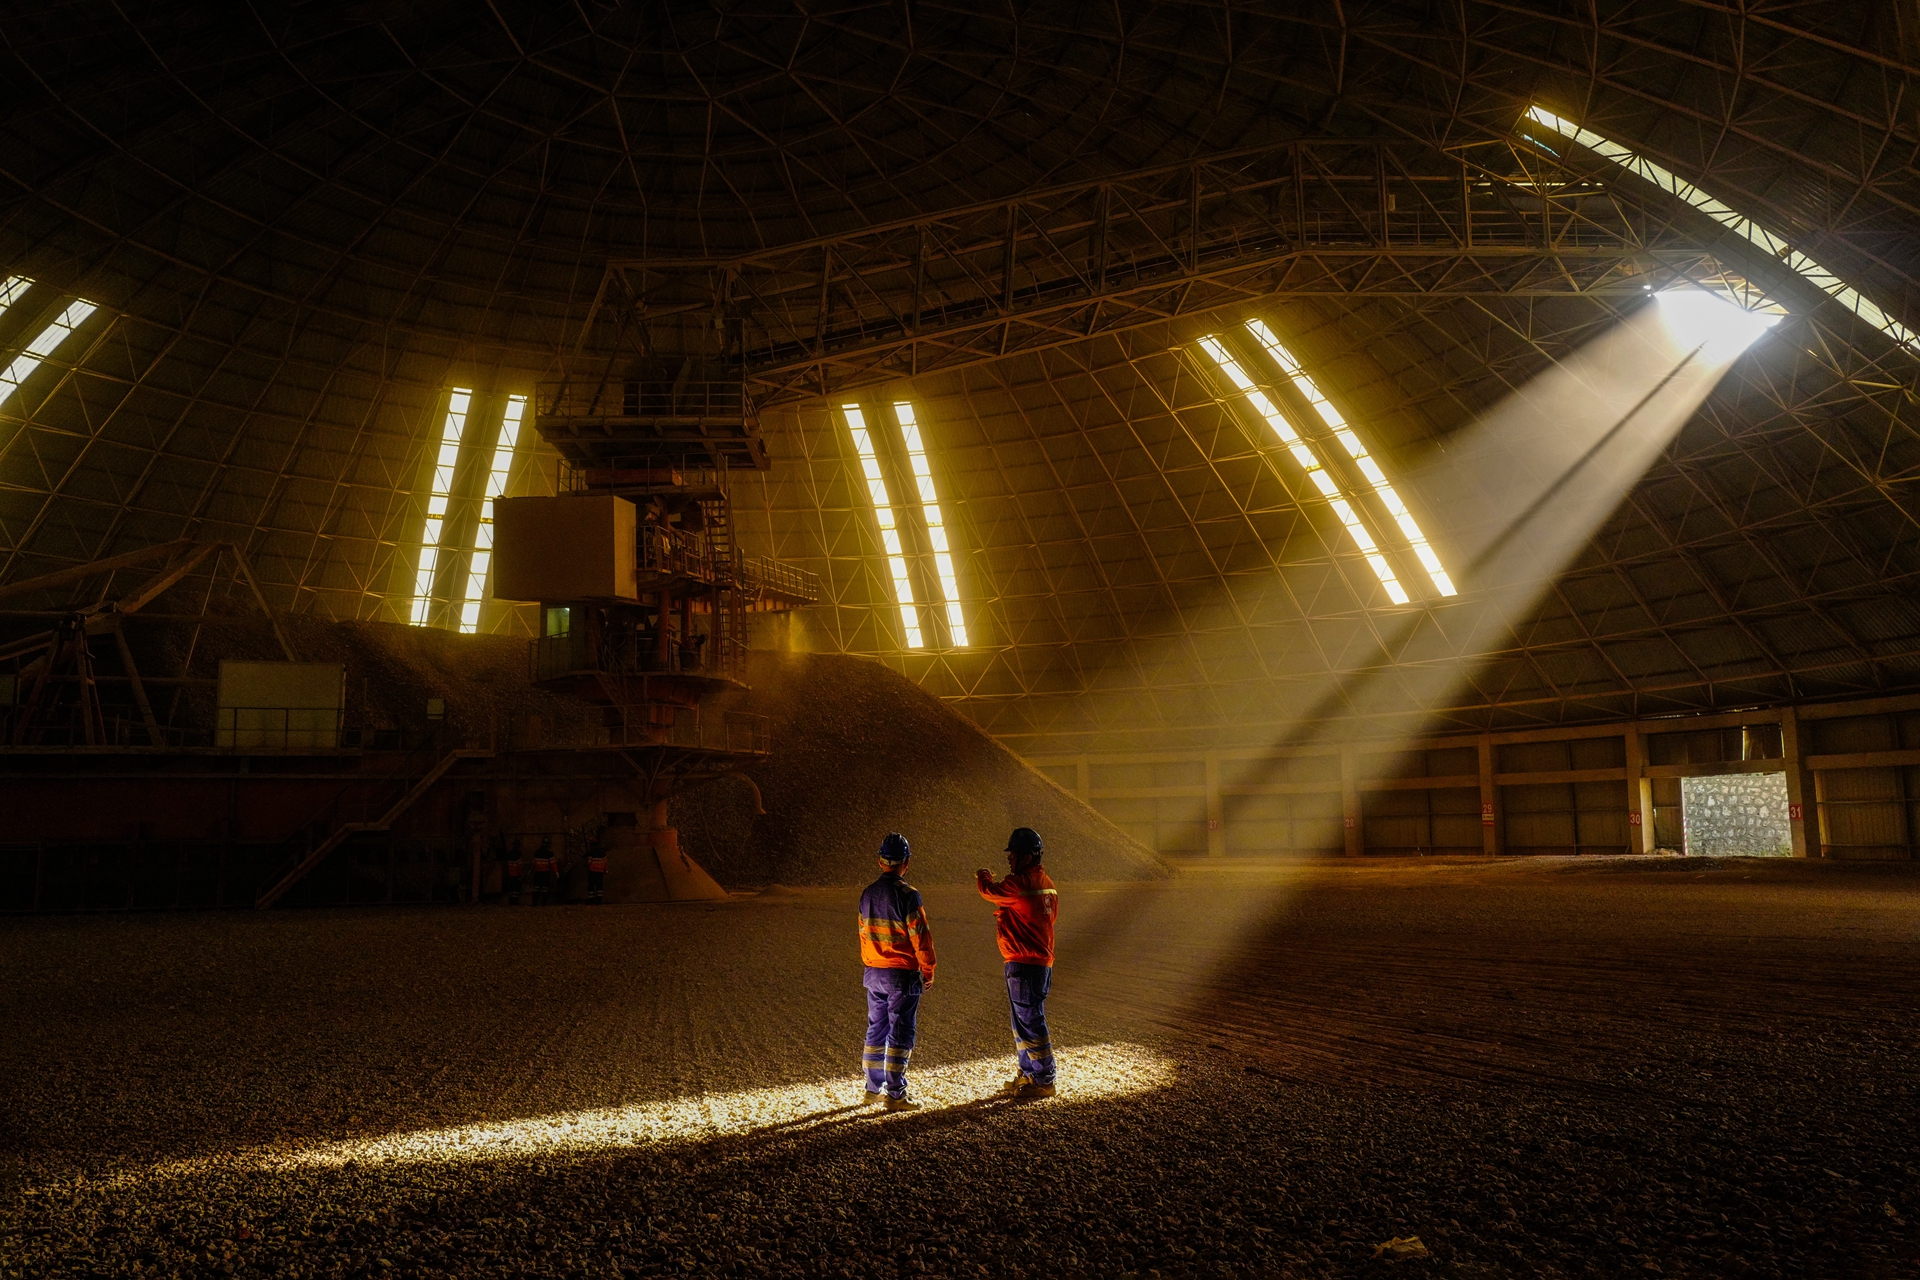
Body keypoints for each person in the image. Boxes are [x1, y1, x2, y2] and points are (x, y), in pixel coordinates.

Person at [976, 826, 1059, 1099]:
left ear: (1027, 856)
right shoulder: (1048, 884)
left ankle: (1044, 1079)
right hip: (1038, 963)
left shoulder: (1020, 884)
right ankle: (1029, 1074)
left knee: (1030, 1022)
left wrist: (983, 875)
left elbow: (989, 891)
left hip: (1024, 964)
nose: (1009, 860)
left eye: (1012, 855)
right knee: (1023, 1022)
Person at [858, 832, 937, 1112]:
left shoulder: (867, 894)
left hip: (874, 972)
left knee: (876, 1030)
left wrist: (873, 963)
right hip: (901, 975)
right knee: (900, 1033)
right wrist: (928, 969)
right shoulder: (908, 895)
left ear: (880, 861)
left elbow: (864, 935)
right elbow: (920, 937)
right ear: (907, 862)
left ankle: (871, 1089)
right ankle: (895, 1094)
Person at [531, 835, 555, 906]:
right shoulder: (549, 853)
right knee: (545, 888)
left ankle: (534, 903)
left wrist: (531, 870)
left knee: (536, 888)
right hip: (545, 873)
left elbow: (533, 863)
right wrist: (556, 871)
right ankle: (543, 903)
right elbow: (553, 864)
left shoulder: (537, 852)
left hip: (538, 872)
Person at [585, 833, 608, 905]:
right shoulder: (603, 853)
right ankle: (599, 900)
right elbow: (605, 863)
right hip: (600, 872)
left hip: (592, 872)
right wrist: (605, 870)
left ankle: (591, 900)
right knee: (599, 886)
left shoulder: (591, 853)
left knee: (591, 886)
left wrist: (587, 868)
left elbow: (589, 862)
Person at [505, 836, 524, 906]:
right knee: (516, 888)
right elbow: (520, 865)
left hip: (510, 873)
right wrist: (521, 874)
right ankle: (515, 901)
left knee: (511, 887)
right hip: (516, 873)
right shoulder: (518, 854)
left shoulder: (509, 854)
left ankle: (511, 900)